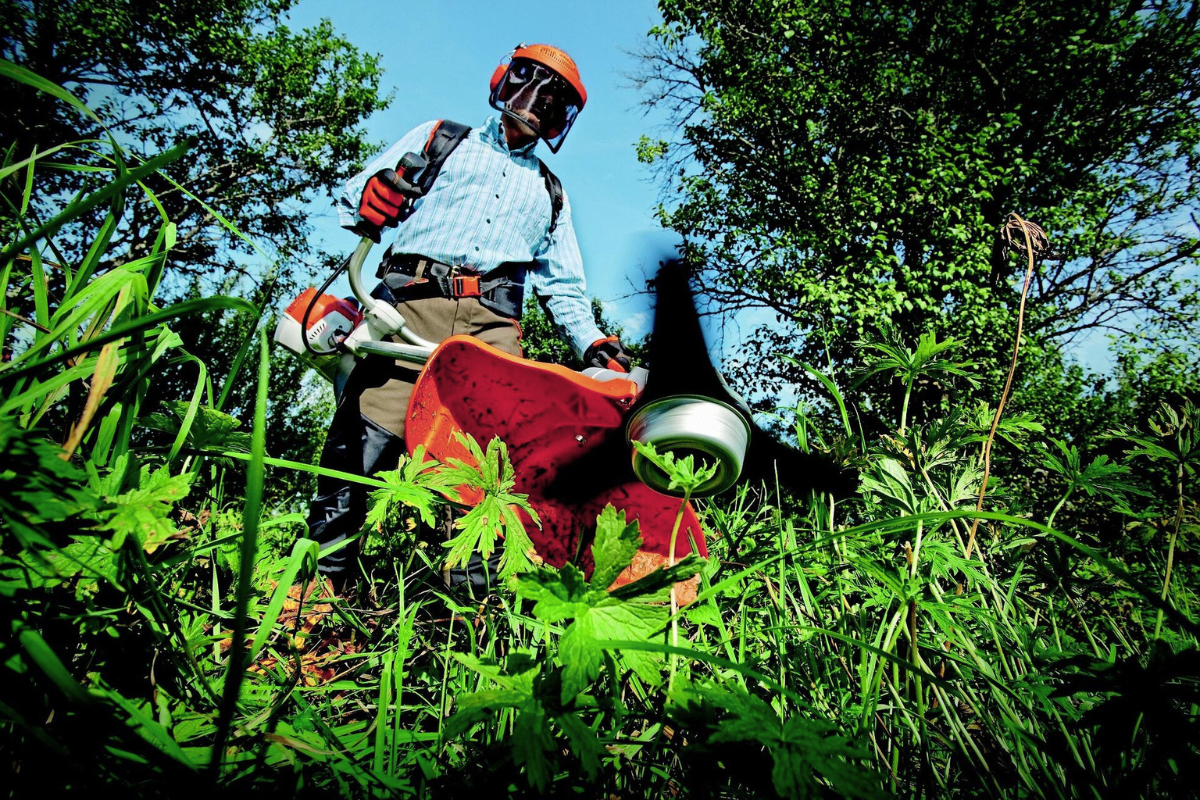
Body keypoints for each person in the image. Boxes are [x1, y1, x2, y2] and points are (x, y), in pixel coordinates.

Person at [305, 43, 631, 592]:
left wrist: (592, 343)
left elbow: (565, 288)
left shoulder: (551, 192)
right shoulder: (442, 138)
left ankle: (466, 611)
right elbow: (354, 195)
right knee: (363, 443)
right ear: (504, 81)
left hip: (491, 327)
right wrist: (372, 195)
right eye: (529, 86)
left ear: (562, 120)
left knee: (489, 466)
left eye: (553, 103)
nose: (535, 106)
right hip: (411, 302)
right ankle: (315, 589)